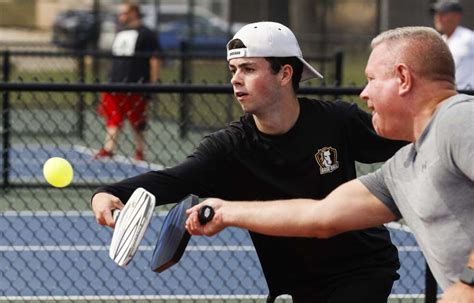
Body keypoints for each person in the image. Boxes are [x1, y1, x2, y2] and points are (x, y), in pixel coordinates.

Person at [91, 21, 407, 302]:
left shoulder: (337, 121)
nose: (236, 80)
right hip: (299, 282)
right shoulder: (229, 148)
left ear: (285, 74)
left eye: (249, 69)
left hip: (362, 270)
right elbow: (175, 180)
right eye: (234, 71)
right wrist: (108, 193)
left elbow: (402, 140)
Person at [186, 26, 474, 303]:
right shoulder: (401, 169)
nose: (364, 93)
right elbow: (321, 217)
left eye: (372, 79)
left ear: (403, 78)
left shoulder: (456, 120)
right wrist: (226, 211)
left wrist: (468, 283)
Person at [95, 1, 161, 161]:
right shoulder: (121, 31)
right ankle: (108, 149)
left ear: (134, 13)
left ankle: (140, 150)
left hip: (135, 84)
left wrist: (151, 83)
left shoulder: (146, 34)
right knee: (113, 117)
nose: (121, 16)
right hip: (115, 83)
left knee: (137, 121)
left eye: (124, 12)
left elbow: (155, 59)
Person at [432, 0, 474, 89]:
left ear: (456, 17)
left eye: (443, 14)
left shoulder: (469, 38)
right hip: (449, 94)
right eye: (437, 14)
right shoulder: (440, 40)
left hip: (469, 94)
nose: (437, 17)